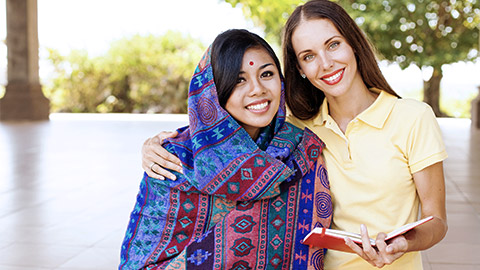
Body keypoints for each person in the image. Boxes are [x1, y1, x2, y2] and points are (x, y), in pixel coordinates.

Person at [141, 1, 448, 269]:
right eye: (309, 56)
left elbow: (436, 221)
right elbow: (226, 135)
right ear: (299, 67)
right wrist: (154, 146)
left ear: (353, 43)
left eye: (333, 45)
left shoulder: (412, 117)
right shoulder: (296, 133)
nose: (326, 63)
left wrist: (403, 244)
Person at [120, 29, 332, 270]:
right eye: (239, 79)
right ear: (213, 90)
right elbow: (143, 263)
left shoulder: (301, 150)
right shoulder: (173, 159)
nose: (257, 89)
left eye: (267, 74)